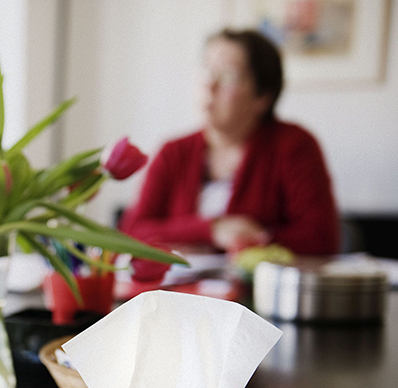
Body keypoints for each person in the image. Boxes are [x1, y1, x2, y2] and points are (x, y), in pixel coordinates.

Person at [119, 29, 340, 255]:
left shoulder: (295, 146)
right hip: (179, 289)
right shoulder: (174, 151)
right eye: (207, 70)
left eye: (228, 76)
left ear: (263, 97)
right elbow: (132, 231)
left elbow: (320, 239)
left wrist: (256, 239)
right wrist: (211, 229)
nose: (209, 85)